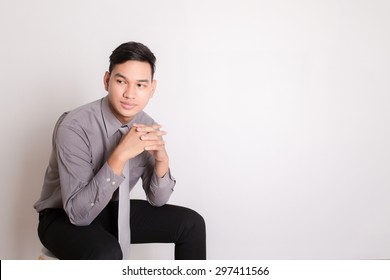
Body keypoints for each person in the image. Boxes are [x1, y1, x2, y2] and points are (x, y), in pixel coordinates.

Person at [33, 41, 206, 260]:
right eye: (121, 81)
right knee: (107, 251)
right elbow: (78, 214)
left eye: (140, 85)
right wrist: (121, 153)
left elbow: (158, 201)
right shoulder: (75, 125)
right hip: (62, 216)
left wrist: (162, 163)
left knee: (192, 225)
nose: (130, 94)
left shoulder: (146, 125)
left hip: (111, 209)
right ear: (107, 81)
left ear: (152, 88)